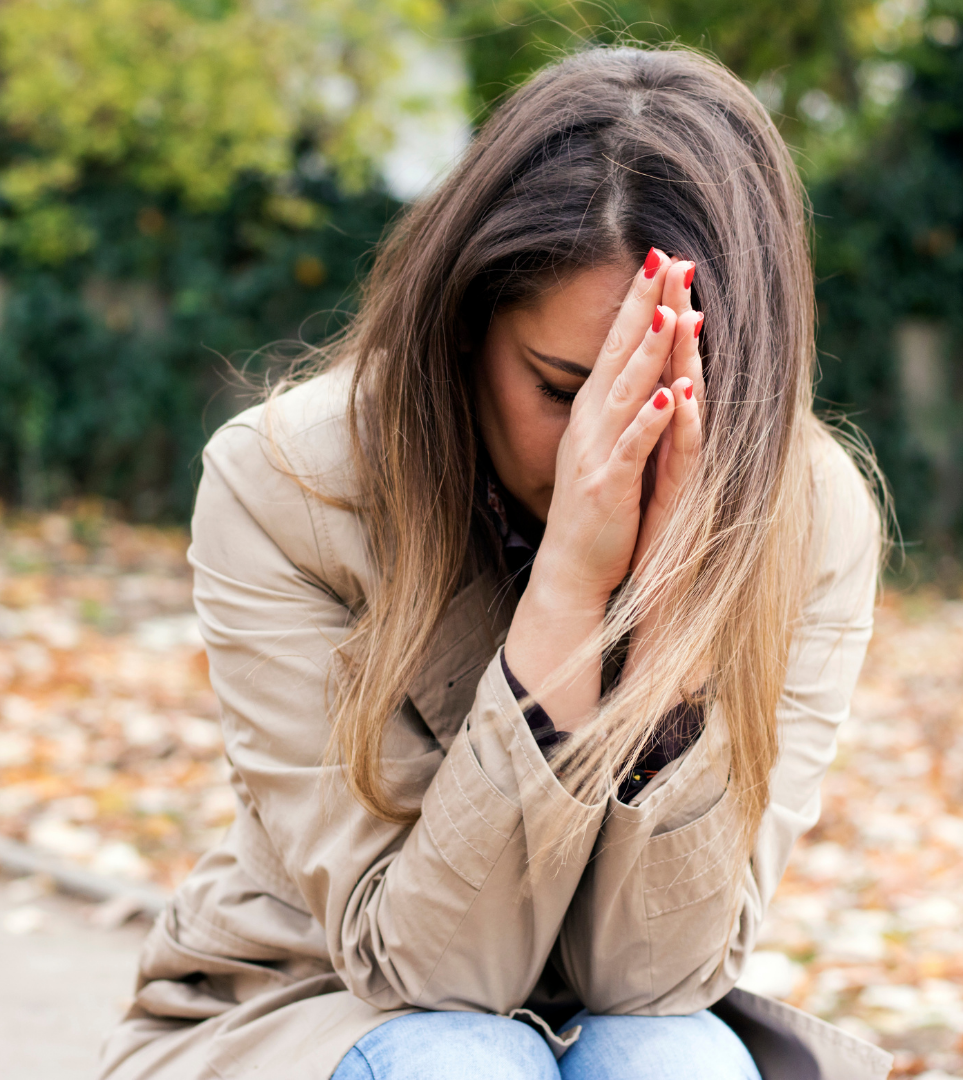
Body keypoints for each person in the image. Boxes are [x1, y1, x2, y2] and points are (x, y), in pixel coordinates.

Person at [98, 45, 892, 1080]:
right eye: (564, 389)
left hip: (626, 1019)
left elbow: (660, 982)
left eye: (674, 407)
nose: (602, 455)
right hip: (311, 1001)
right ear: (467, 326)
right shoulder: (285, 479)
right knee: (462, 1063)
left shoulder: (809, 511)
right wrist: (568, 590)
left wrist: (676, 616)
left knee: (677, 1063)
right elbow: (426, 966)